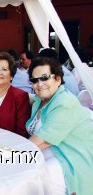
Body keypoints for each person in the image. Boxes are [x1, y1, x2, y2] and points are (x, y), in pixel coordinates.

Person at [26, 57, 93, 194]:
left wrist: (7, 156)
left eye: (44, 78)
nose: (39, 84)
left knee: (31, 179)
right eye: (34, 80)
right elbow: (28, 98)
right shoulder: (42, 99)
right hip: (47, 155)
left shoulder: (65, 103)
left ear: (57, 79)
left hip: (70, 159)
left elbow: (42, 141)